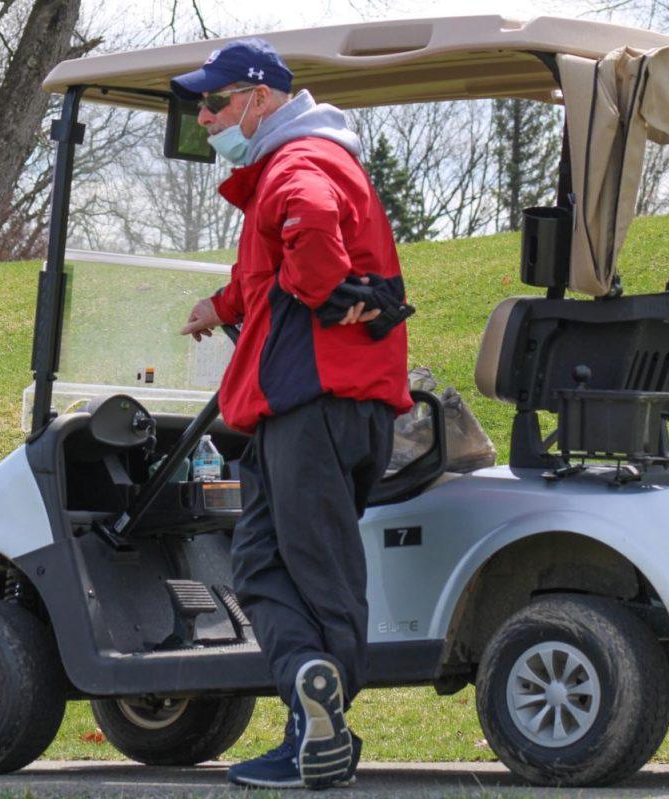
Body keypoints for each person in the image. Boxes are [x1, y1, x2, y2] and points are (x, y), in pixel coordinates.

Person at [173, 38, 413, 789]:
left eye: (215, 103)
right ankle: (310, 694)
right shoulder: (297, 160)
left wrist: (320, 287)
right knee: (264, 557)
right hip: (322, 405)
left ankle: (321, 714)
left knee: (315, 569)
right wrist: (220, 306)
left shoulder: (299, 160)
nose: (206, 119)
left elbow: (308, 230)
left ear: (260, 98)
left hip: (313, 404)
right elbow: (271, 270)